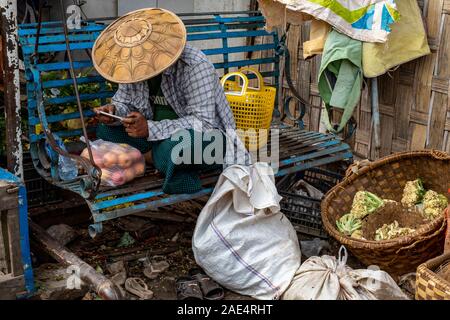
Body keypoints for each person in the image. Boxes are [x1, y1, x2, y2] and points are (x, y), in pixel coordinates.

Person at [91, 8, 247, 193]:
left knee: (178, 149)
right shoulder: (132, 67)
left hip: (206, 139)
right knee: (104, 129)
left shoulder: (194, 66)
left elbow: (204, 124)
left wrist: (150, 128)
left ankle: (150, 157)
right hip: (155, 139)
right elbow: (124, 102)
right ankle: (156, 158)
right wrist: (114, 112)